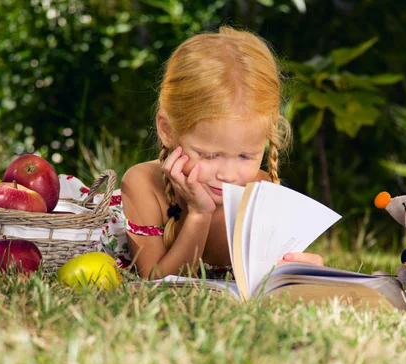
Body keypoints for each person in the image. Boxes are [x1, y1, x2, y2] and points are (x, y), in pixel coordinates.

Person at [121, 26, 322, 280]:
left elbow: (277, 276)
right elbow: (157, 281)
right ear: (167, 130)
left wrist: (304, 268)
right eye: (209, 155)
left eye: (246, 156)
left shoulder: (262, 194)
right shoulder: (142, 184)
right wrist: (199, 214)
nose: (228, 175)